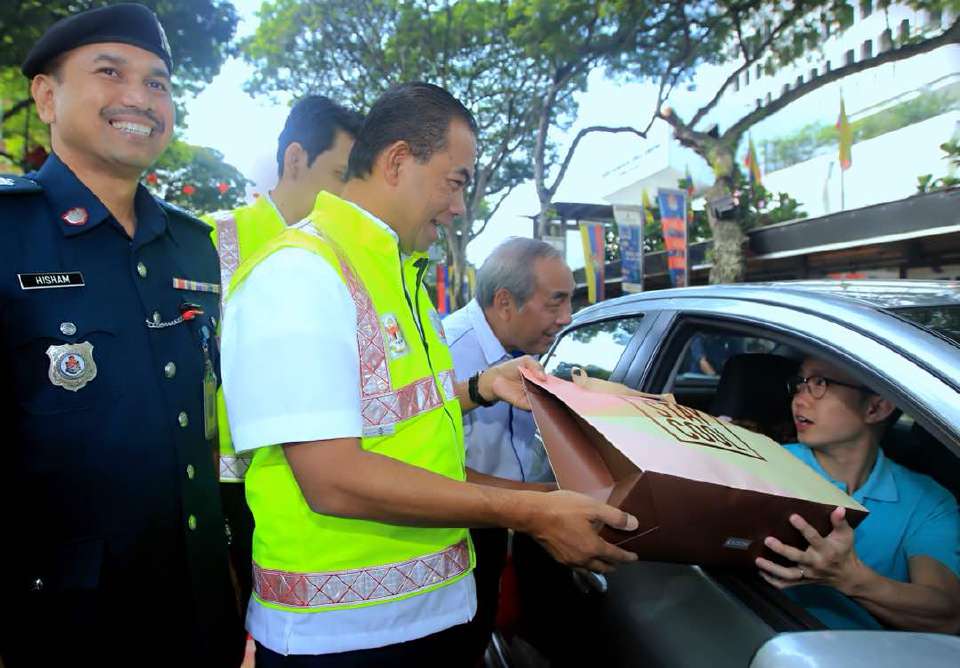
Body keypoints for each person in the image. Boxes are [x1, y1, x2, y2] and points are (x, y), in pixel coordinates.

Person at [220, 82, 639, 665]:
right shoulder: (300, 273)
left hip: (432, 615)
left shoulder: (400, 276)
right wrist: (531, 513)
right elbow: (333, 477)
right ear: (397, 162)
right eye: (457, 180)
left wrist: (547, 493)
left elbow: (420, 455)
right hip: (344, 636)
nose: (460, 205)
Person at [0, 4, 243, 665]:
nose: (140, 97)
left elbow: (206, 434)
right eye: (111, 72)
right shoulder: (8, 232)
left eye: (158, 82)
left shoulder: (193, 248)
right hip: (65, 626)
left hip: (201, 616)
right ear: (46, 96)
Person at [203, 96, 362, 614]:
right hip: (229, 480)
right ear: (295, 159)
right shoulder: (214, 239)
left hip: (331, 476)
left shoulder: (350, 254)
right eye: (340, 172)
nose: (347, 192)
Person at [756, 355, 960, 633]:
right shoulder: (765, 465)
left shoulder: (930, 501)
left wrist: (851, 578)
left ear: (876, 408)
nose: (799, 400)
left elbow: (948, 613)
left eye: (820, 383)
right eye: (800, 384)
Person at [443, 237, 575, 660]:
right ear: (504, 302)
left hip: (507, 523)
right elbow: (432, 472)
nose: (567, 318)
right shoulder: (447, 353)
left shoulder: (531, 348)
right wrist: (549, 499)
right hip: (454, 534)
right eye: (555, 303)